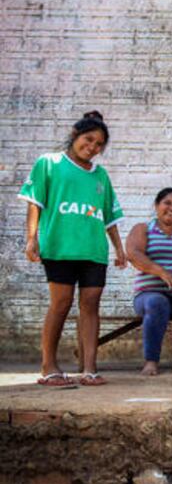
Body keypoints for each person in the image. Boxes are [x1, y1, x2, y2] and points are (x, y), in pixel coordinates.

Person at [18, 110, 127, 386]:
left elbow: (109, 217)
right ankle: (49, 367)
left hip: (94, 251)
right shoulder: (50, 163)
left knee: (91, 304)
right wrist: (32, 238)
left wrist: (119, 249)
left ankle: (90, 369)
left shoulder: (101, 175)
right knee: (61, 303)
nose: (91, 147)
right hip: (60, 248)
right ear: (75, 134)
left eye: (98, 145)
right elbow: (34, 202)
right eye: (88, 139)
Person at [126, 187, 172, 377]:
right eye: (167, 203)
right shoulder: (143, 229)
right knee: (157, 302)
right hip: (148, 296)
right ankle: (151, 361)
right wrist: (162, 272)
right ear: (156, 206)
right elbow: (133, 254)